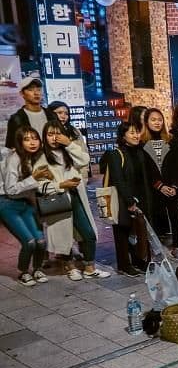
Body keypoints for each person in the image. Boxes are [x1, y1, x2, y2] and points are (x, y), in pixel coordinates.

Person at [40, 122, 109, 280]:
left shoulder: (67, 152)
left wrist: (69, 144)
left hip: (76, 197)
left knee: (88, 233)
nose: (54, 138)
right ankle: (69, 266)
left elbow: (84, 160)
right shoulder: (41, 157)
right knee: (63, 236)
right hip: (57, 200)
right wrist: (61, 185)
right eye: (50, 134)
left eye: (58, 134)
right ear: (44, 137)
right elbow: (39, 185)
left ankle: (90, 267)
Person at [101, 122, 154, 276]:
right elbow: (118, 180)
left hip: (140, 196)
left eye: (137, 132)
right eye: (131, 133)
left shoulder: (140, 152)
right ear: (123, 136)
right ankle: (124, 264)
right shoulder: (115, 154)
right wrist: (129, 201)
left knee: (137, 230)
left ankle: (138, 260)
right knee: (122, 232)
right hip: (122, 199)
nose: (136, 135)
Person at [1, 127, 50, 285]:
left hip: (26, 203)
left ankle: (37, 269)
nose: (32, 142)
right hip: (8, 204)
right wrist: (34, 178)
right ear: (20, 142)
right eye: (27, 139)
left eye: (34, 138)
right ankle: (23, 272)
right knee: (29, 241)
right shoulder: (14, 158)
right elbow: (11, 189)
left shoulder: (35, 157)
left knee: (41, 241)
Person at [141, 108, 178, 256]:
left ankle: (176, 245)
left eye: (159, 119)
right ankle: (156, 246)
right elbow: (145, 169)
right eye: (153, 120)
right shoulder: (142, 142)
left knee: (175, 216)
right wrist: (159, 186)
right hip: (154, 188)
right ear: (146, 122)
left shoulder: (172, 140)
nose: (157, 122)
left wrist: (174, 185)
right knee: (156, 215)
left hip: (173, 186)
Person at [5, 77, 55, 150]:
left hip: (51, 157)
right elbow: (12, 145)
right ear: (22, 94)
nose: (36, 93)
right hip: (30, 159)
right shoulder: (16, 118)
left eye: (39, 89)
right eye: (30, 90)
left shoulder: (51, 115)